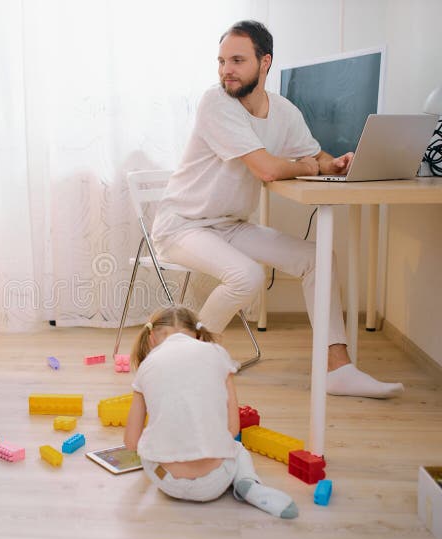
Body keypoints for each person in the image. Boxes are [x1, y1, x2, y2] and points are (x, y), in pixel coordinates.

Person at [150, 20, 403, 399]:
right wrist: (308, 167)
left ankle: (338, 369)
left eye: (237, 60)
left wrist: (338, 164)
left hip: (230, 224)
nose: (225, 71)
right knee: (247, 277)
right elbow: (267, 169)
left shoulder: (284, 111)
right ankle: (195, 356)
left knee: (317, 257)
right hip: (182, 225)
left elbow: (316, 155)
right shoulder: (215, 103)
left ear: (264, 62)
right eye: (221, 61)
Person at [124, 306, 298, 519]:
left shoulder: (146, 366)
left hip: (165, 479)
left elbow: (132, 442)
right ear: (197, 334)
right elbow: (233, 429)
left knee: (150, 447)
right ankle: (248, 484)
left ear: (150, 337)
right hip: (216, 482)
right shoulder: (218, 354)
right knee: (238, 448)